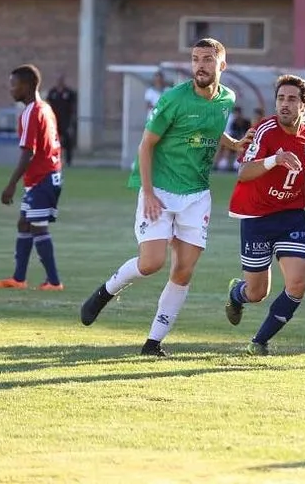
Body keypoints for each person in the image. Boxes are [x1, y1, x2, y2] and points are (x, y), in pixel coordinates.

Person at [79, 38, 247, 357]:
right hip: (159, 189)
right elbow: (146, 145)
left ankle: (153, 343)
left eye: (208, 59)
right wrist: (148, 192)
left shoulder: (227, 98)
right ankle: (106, 291)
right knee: (151, 263)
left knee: (183, 271)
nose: (200, 65)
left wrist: (234, 144)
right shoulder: (173, 99)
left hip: (197, 195)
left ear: (222, 65)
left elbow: (211, 130)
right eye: (195, 59)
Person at [224, 74, 305, 356]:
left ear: (304, 105)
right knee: (257, 293)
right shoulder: (265, 130)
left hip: (290, 215)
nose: (284, 104)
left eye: (292, 99)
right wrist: (275, 160)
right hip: (256, 218)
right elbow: (244, 171)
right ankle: (236, 294)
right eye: (281, 98)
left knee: (298, 283)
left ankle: (259, 342)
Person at [0, 65, 64, 291]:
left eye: (14, 84)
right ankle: (18, 278)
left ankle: (54, 282)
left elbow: (28, 152)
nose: (11, 89)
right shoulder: (45, 108)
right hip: (43, 177)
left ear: (28, 85)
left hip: (43, 177)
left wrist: (11, 184)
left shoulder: (32, 112)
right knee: (24, 223)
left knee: (38, 227)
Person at [46, 74, 77, 167]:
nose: (60, 82)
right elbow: (47, 105)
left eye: (61, 80)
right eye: (58, 80)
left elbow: (73, 107)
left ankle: (68, 161)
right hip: (54, 121)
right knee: (53, 141)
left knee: (67, 141)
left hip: (65, 121)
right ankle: (53, 160)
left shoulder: (69, 93)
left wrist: (71, 121)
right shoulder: (52, 92)